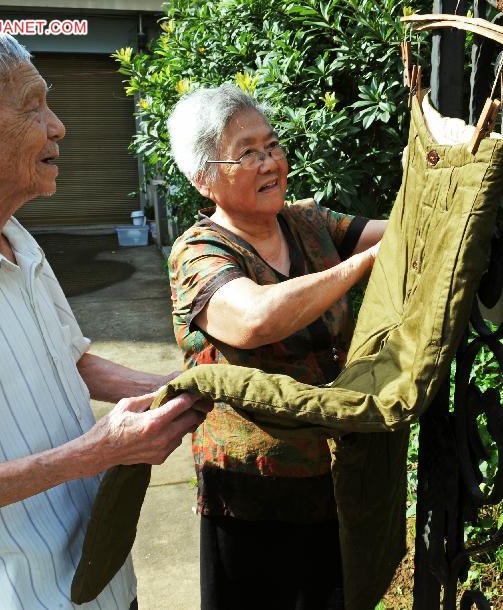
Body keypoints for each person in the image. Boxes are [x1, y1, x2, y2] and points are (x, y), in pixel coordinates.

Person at [0, 34, 209, 610]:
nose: (58, 127)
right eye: (32, 105)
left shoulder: (15, 239)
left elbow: (68, 359)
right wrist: (94, 453)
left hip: (96, 580)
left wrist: (183, 390)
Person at [166, 83, 388, 609]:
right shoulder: (199, 253)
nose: (270, 163)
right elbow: (254, 319)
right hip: (251, 492)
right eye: (248, 153)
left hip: (332, 473)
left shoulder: (308, 223)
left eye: (272, 146)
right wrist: (359, 265)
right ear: (204, 179)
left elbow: (395, 232)